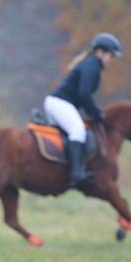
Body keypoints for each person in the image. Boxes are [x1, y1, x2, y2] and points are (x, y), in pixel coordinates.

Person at [44, 32, 123, 187]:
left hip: (56, 103)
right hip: (60, 103)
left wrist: (93, 112)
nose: (111, 60)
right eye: (110, 55)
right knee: (78, 131)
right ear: (100, 52)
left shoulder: (90, 64)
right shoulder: (92, 66)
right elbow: (84, 94)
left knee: (69, 135)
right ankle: (77, 173)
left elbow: (82, 95)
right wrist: (96, 114)